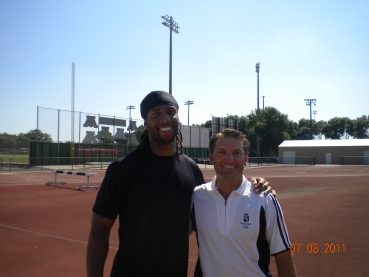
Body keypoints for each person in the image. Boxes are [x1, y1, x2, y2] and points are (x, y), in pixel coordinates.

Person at [86, 91, 273, 277]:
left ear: (177, 117)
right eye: (156, 114)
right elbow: (99, 229)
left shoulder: (191, 169)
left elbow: (207, 209)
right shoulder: (123, 170)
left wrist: (255, 185)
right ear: (145, 123)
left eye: (170, 112)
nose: (164, 118)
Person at [191, 128, 297, 277]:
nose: (229, 159)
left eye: (236, 153)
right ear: (211, 157)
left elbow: (284, 256)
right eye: (222, 152)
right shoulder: (197, 197)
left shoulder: (265, 199)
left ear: (246, 159)